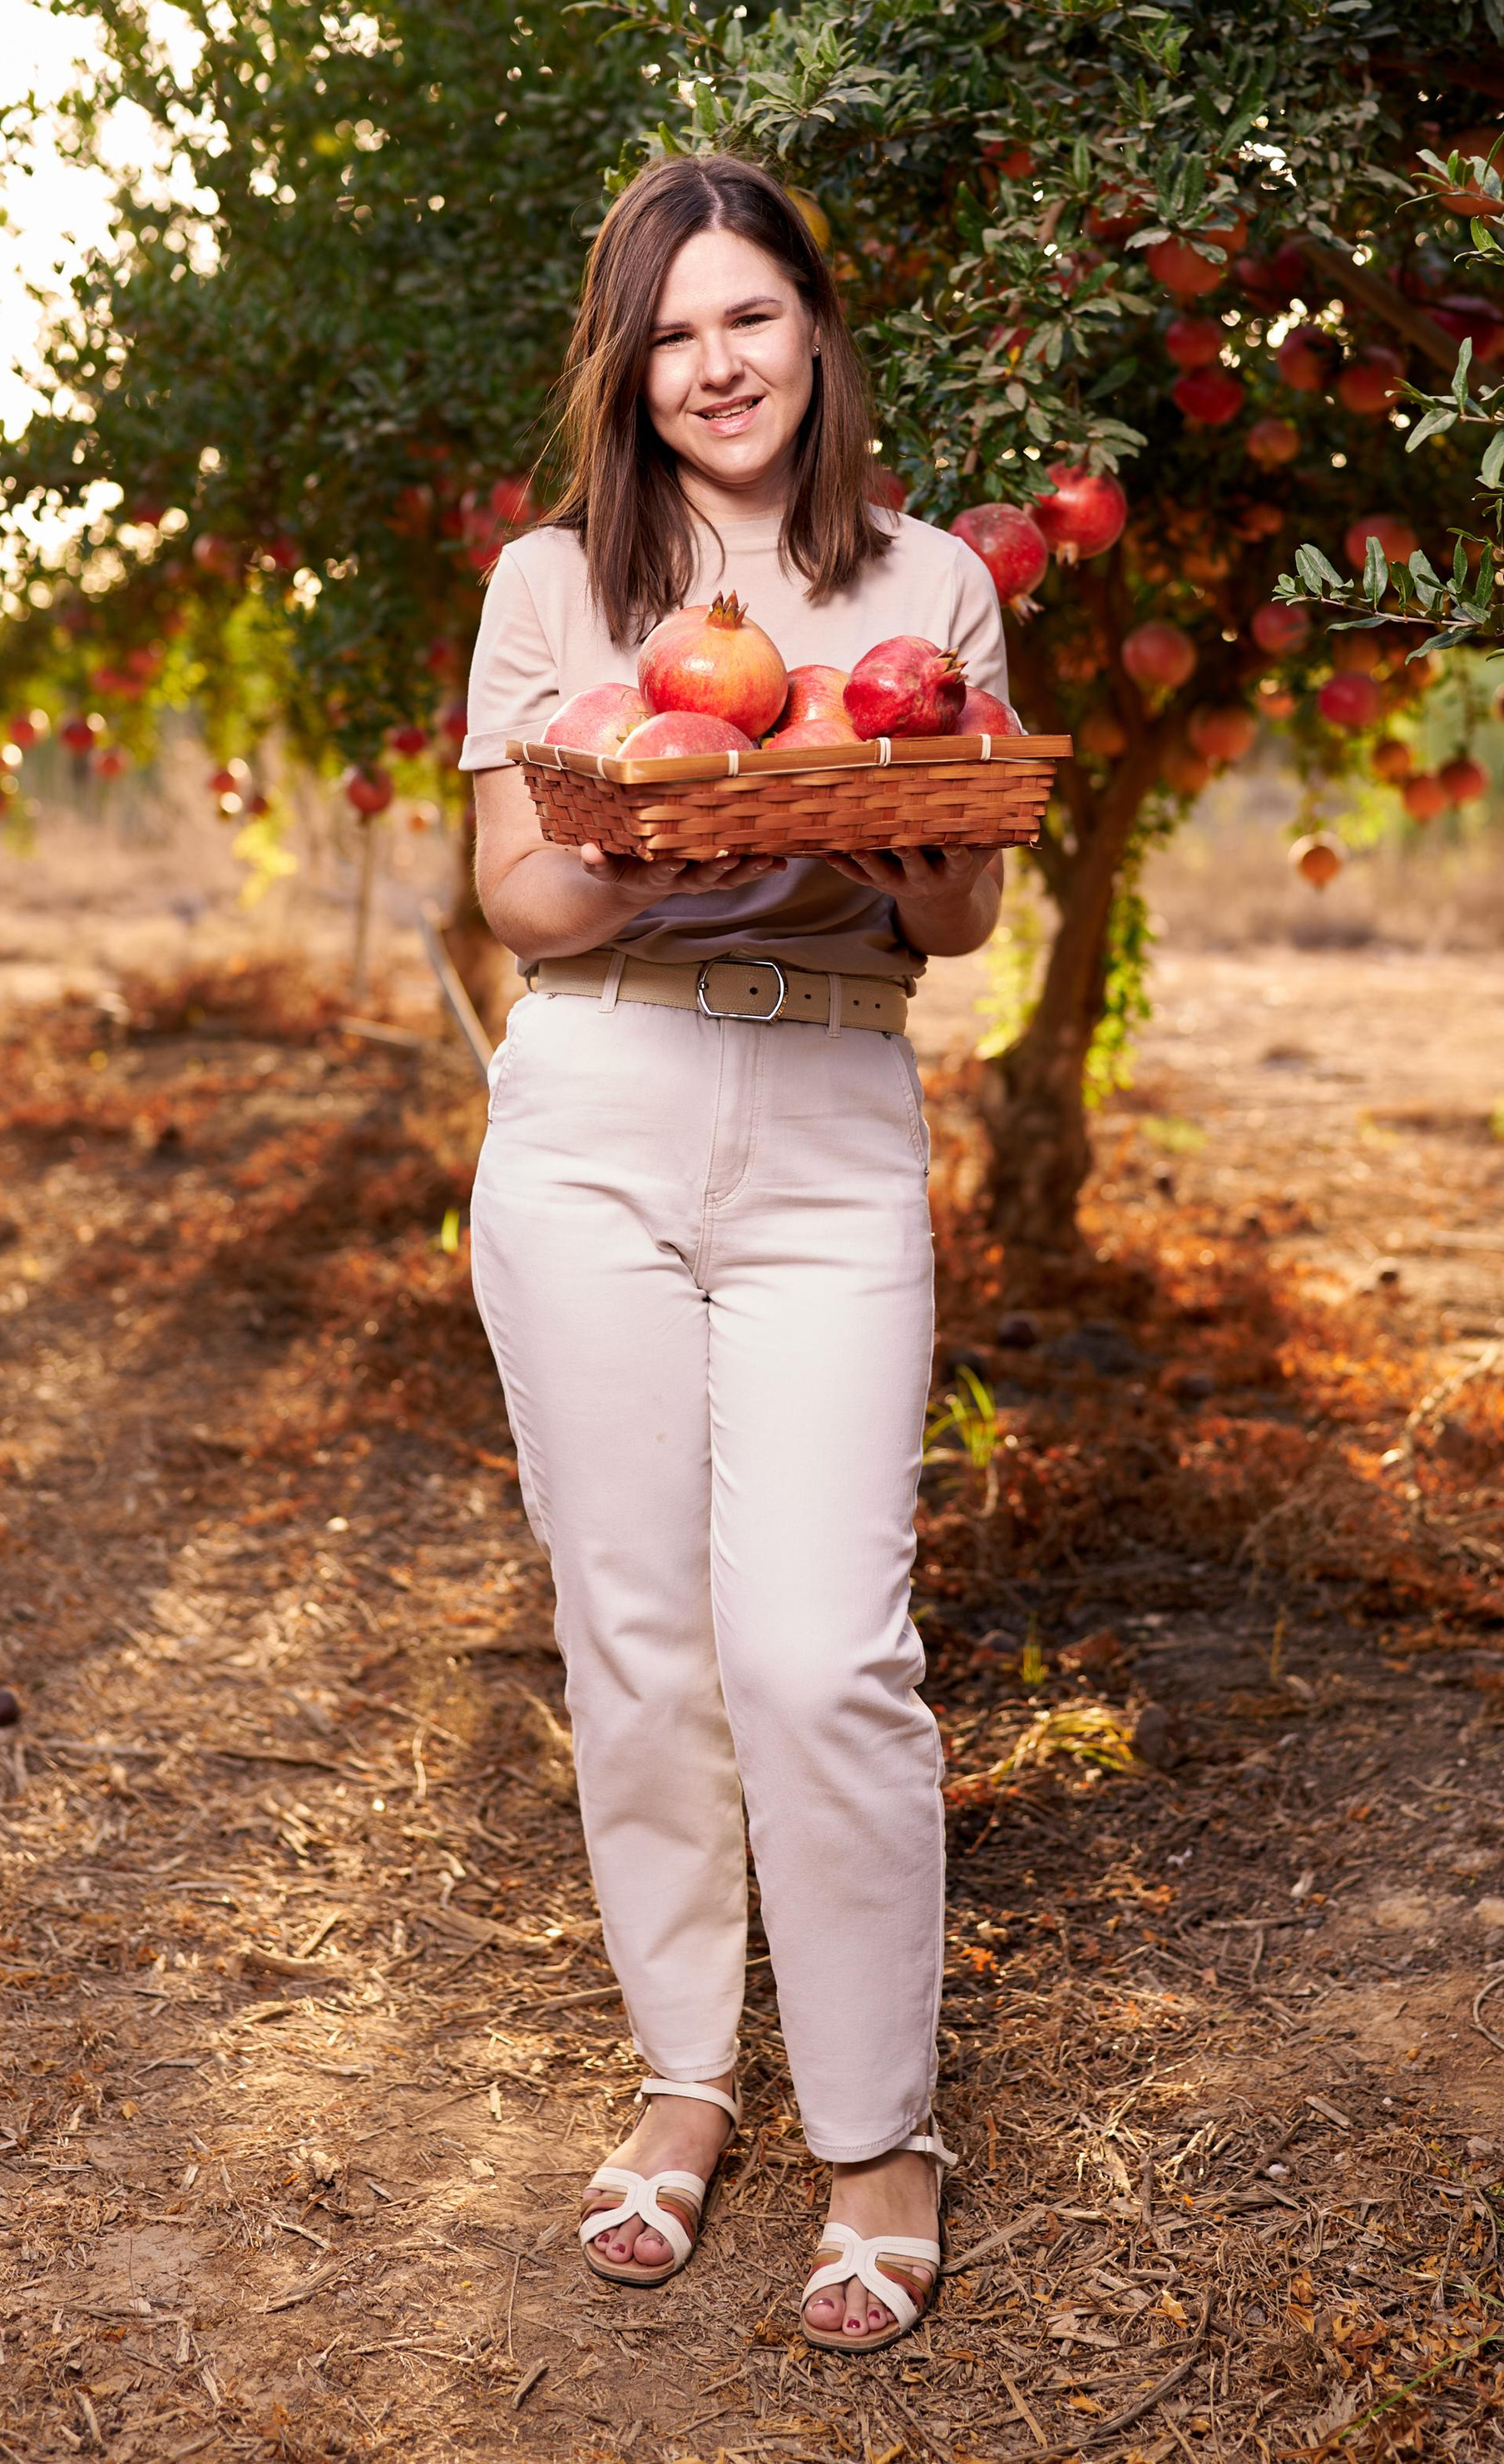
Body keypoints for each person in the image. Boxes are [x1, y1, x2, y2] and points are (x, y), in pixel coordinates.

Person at [460, 151, 1007, 2350]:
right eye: (674, 333)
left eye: (751, 320)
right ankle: (689, 2080)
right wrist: (660, 853)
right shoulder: (547, 591)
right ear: (631, 364)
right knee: (640, 1642)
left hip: (829, 1127)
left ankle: (878, 2135)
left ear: (814, 333)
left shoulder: (932, 590)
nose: (717, 366)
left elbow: (961, 912)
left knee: (821, 1655)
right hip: (592, 1106)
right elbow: (524, 893)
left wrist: (856, 845)